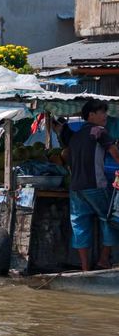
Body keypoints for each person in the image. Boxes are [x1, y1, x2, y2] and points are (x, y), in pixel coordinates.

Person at [60, 101, 119, 271]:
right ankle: (103, 259)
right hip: (95, 185)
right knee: (109, 219)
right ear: (91, 115)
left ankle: (85, 267)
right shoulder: (99, 131)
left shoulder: (76, 136)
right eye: (101, 112)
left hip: (76, 187)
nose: (105, 116)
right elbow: (114, 152)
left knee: (80, 223)